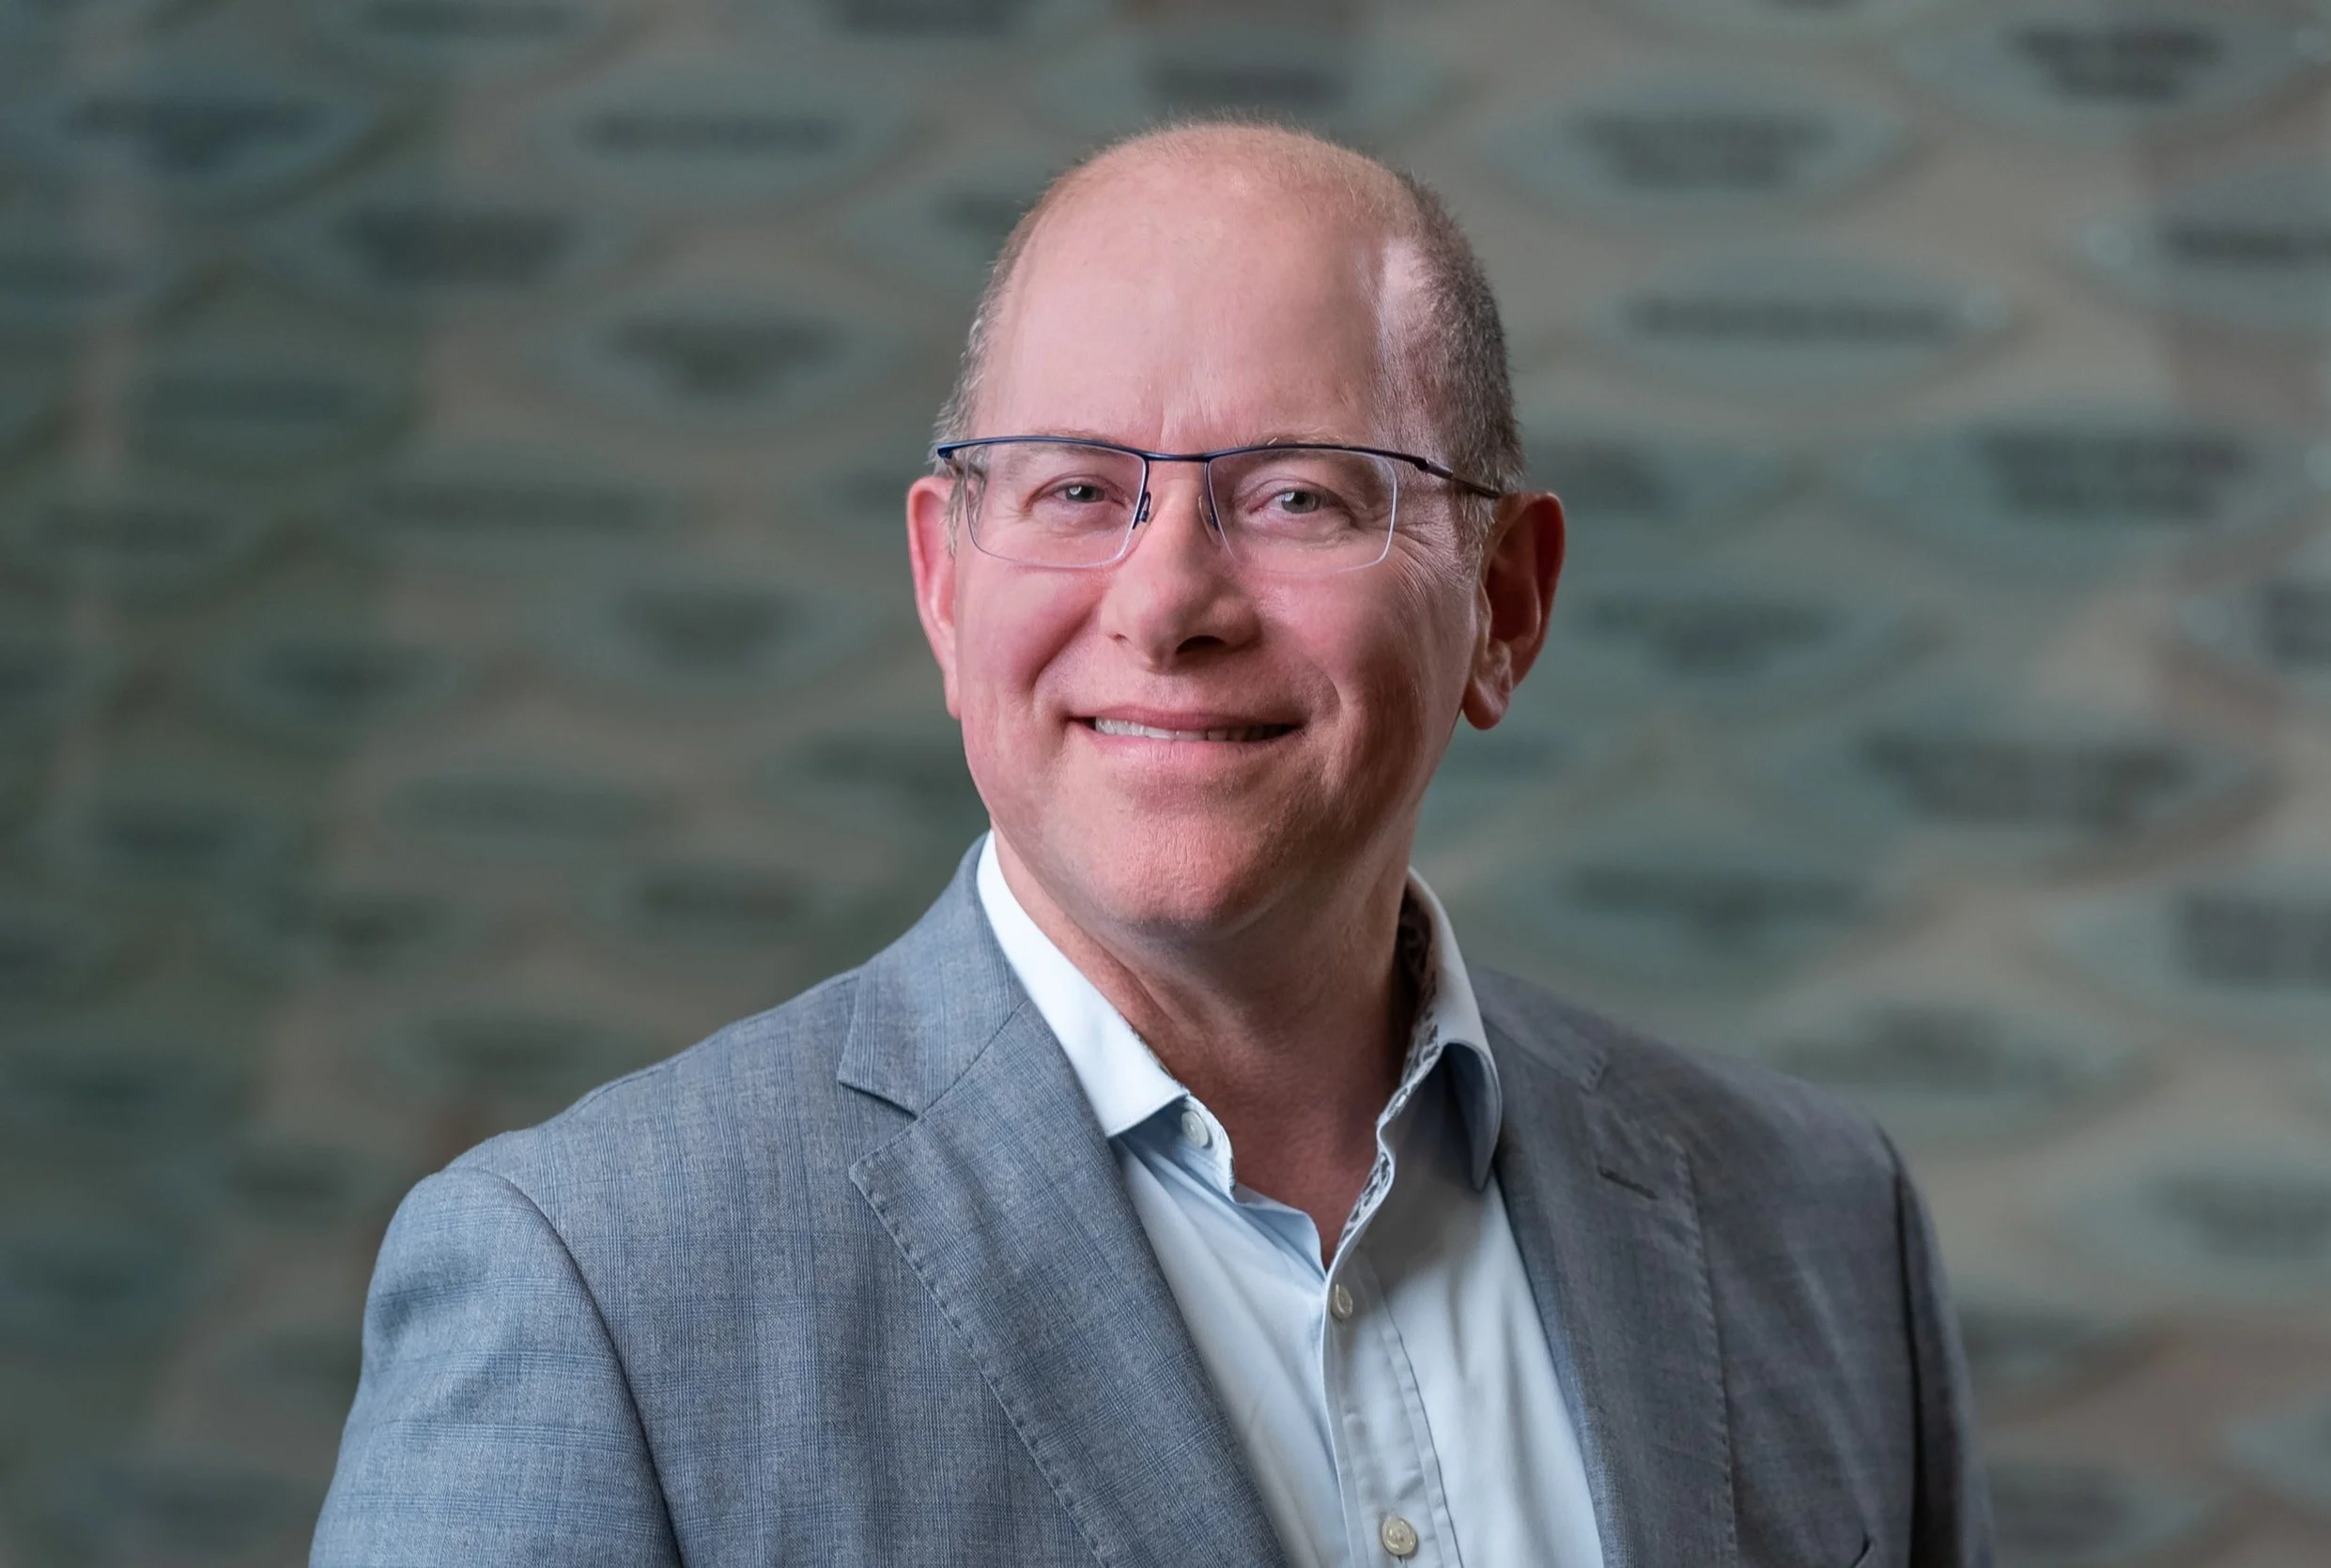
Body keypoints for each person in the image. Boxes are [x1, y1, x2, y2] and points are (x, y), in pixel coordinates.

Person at [314, 122, 1990, 1568]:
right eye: (1071, 490)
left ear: (1506, 603)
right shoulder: (595, 1286)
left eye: (1300, 496)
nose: (1170, 602)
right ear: (943, 583)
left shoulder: (1816, 1222)